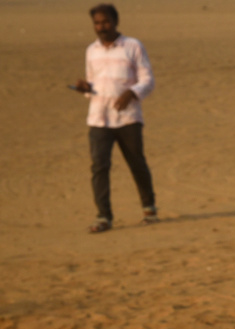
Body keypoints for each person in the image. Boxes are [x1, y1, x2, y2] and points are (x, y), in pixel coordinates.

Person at [74, 4, 157, 233]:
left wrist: (131, 93)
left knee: (136, 163)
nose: (101, 27)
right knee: (99, 166)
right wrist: (85, 88)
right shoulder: (91, 51)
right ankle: (104, 217)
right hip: (99, 118)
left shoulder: (133, 46)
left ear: (116, 21)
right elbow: (94, 85)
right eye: (97, 23)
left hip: (128, 118)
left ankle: (149, 208)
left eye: (105, 22)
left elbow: (148, 80)